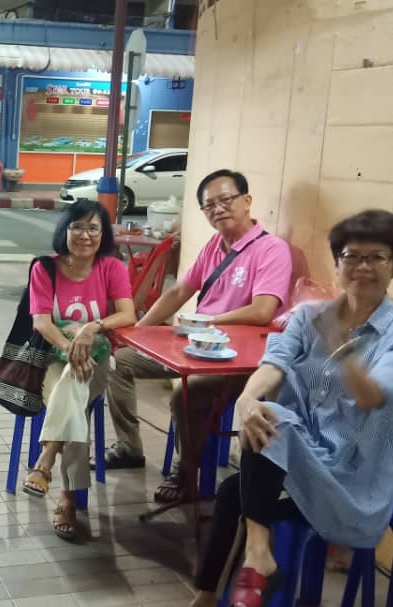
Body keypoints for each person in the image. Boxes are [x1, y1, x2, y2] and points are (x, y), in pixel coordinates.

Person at [189, 209, 393, 607]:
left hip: (352, 480)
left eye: (377, 257)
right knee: (241, 469)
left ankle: (256, 561)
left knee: (272, 427)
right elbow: (275, 363)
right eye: (352, 256)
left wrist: (339, 344)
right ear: (337, 263)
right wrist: (248, 398)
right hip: (297, 459)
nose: (363, 267)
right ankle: (219, 587)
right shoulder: (308, 317)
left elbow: (372, 395)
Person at [105, 169, 293, 504]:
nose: (218, 209)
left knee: (185, 394)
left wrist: (207, 321)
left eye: (226, 200)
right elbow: (179, 291)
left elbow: (263, 310)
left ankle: (187, 471)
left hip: (237, 360)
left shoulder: (271, 250)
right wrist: (138, 331)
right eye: (210, 205)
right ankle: (129, 447)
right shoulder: (214, 246)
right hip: (193, 346)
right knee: (118, 362)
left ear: (247, 201)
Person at [20, 200, 137, 539]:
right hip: (53, 357)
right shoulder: (45, 268)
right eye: (77, 227)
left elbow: (127, 314)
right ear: (65, 230)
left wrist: (91, 328)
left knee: (74, 385)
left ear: (103, 234)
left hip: (98, 360)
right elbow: (42, 323)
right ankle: (68, 496)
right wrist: (70, 349)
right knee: (74, 395)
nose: (85, 235)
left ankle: (46, 460)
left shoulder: (111, 267)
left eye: (93, 228)